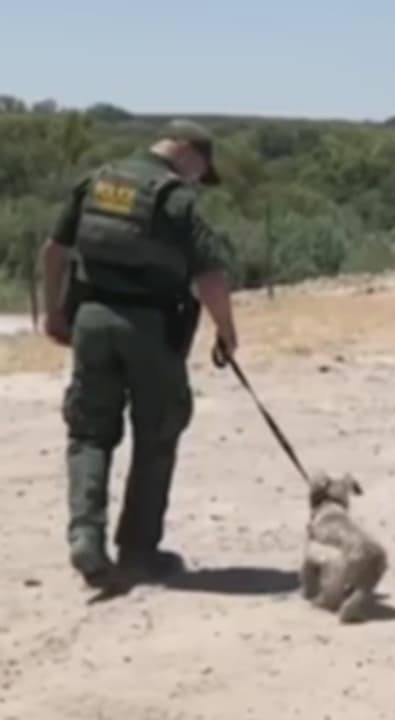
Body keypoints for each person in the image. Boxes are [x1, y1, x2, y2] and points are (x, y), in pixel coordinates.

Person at [39, 119, 240, 588]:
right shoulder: (174, 198)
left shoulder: (97, 181)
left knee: (89, 433)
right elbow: (210, 274)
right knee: (157, 434)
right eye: (200, 170)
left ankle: (86, 537)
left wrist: (52, 313)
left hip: (91, 319)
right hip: (151, 327)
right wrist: (226, 331)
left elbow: (54, 252)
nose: (197, 182)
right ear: (189, 151)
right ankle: (137, 550)